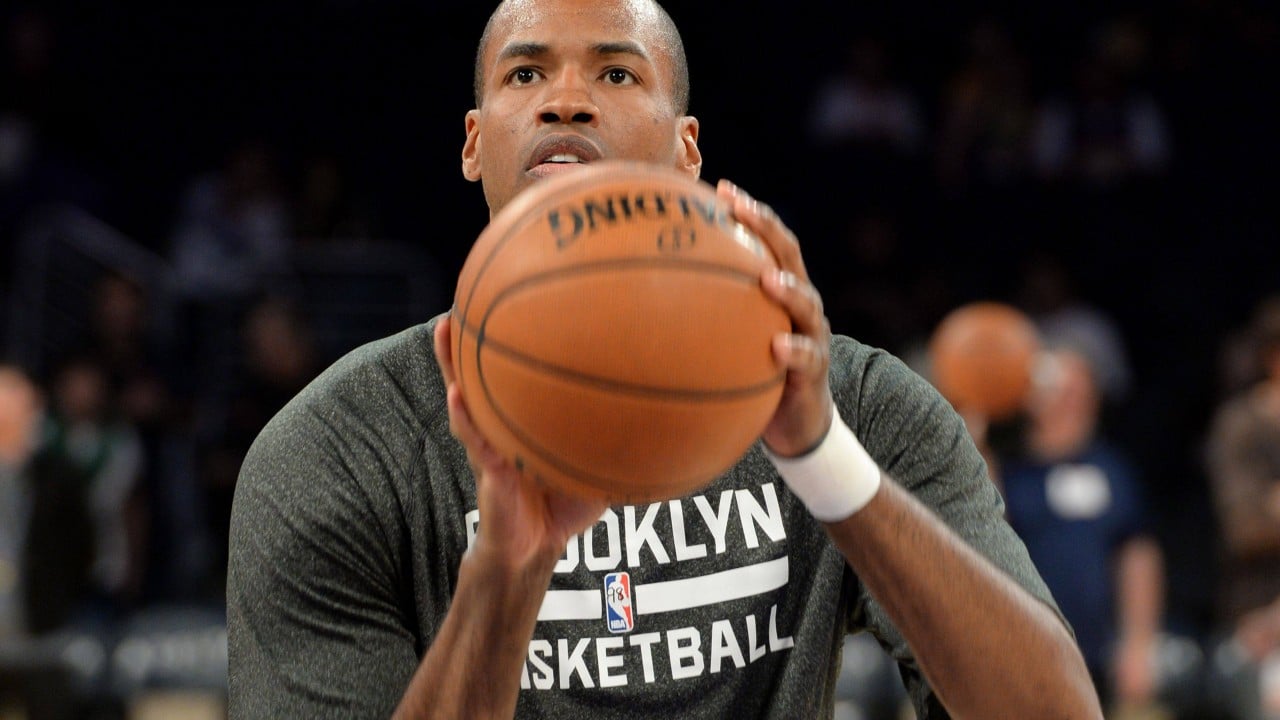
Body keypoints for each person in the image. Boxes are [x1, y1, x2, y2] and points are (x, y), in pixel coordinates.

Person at [227, 2, 1100, 718]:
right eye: (525, 74)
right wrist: (506, 575)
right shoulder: (335, 449)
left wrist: (822, 461)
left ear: (688, 150)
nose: (565, 101)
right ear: (472, 142)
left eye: (616, 73)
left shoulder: (855, 406)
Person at [994, 348, 1165, 715]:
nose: (1074, 403)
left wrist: (1138, 644)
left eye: (1083, 393)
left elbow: (1137, 557)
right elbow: (980, 535)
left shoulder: (1112, 470)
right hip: (1018, 650)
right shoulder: (1008, 471)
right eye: (1062, 391)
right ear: (1032, 400)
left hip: (1098, 658)